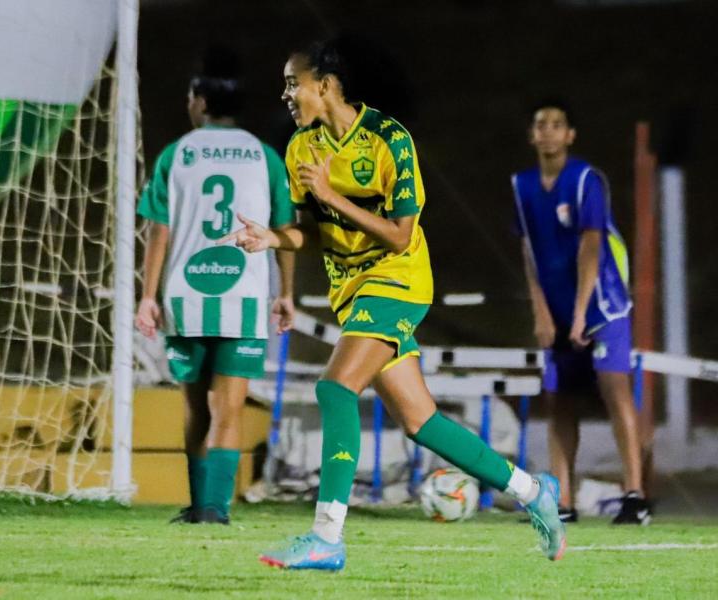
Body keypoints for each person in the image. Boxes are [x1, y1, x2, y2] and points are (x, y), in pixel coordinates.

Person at [220, 39, 566, 571]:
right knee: (421, 420)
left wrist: (332, 196)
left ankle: (326, 539)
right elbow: (315, 231)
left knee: (336, 389)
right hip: (353, 291)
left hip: (398, 279)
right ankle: (531, 489)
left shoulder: (388, 139)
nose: (286, 94)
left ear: (326, 85)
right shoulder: (300, 148)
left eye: (294, 82)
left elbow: (401, 237)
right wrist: (273, 239)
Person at [135, 49, 295, 525]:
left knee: (194, 405)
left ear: (202, 102)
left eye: (191, 96)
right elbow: (284, 227)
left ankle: (199, 503)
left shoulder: (177, 154)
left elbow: (158, 231)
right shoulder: (264, 156)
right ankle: (216, 509)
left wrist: (148, 295)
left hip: (187, 295)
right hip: (242, 295)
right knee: (229, 406)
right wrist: (285, 291)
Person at [512, 99, 651, 525]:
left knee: (614, 389)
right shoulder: (522, 185)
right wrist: (541, 312)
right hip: (557, 310)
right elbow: (529, 250)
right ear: (532, 134)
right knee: (559, 401)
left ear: (570, 135)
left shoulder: (586, 180)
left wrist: (578, 314)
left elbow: (591, 247)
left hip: (602, 305)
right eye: (541, 124)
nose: (549, 131)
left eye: (557, 124)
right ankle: (563, 502)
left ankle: (634, 496)